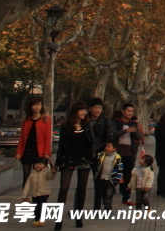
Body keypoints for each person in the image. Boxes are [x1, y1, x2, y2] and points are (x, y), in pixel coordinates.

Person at [53, 101, 95, 229]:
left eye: (85, 111)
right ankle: (58, 220)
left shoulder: (87, 125)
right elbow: (61, 146)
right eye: (82, 110)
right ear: (75, 111)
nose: (84, 113)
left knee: (81, 189)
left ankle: (78, 217)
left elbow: (92, 142)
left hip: (84, 160)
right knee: (64, 188)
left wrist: (91, 156)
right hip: (68, 159)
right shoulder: (66, 126)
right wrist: (57, 163)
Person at [84, 98, 116, 209]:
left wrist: (98, 149)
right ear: (90, 109)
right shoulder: (84, 121)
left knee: (99, 182)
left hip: (100, 155)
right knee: (81, 184)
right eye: (96, 107)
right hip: (85, 154)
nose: (98, 110)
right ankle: (77, 208)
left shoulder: (105, 121)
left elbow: (109, 137)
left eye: (100, 108)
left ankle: (98, 207)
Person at [16, 96, 53, 187]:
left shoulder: (46, 119)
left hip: (39, 152)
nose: (37, 107)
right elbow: (22, 138)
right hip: (27, 150)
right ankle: (25, 197)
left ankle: (36, 197)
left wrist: (46, 153)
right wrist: (19, 152)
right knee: (26, 177)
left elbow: (48, 137)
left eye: (39, 105)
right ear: (31, 107)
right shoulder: (26, 121)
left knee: (38, 177)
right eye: (35, 105)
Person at [112, 103, 144, 206]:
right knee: (114, 175)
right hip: (117, 153)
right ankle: (108, 197)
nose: (130, 113)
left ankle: (126, 197)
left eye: (131, 111)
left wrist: (134, 131)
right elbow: (113, 134)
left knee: (128, 176)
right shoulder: (115, 122)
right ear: (123, 111)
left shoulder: (133, 124)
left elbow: (138, 138)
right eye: (128, 111)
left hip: (129, 153)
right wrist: (126, 131)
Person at [22, 156, 57, 227]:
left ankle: (42, 218)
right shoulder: (32, 174)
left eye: (40, 164)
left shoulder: (46, 172)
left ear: (45, 165)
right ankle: (36, 220)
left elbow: (51, 177)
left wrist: (53, 172)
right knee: (36, 208)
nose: (38, 166)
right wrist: (24, 195)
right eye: (36, 164)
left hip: (44, 193)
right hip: (34, 194)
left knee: (41, 206)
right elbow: (27, 184)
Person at [93, 141, 122, 211]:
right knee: (101, 195)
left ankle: (107, 210)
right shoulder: (102, 155)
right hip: (101, 179)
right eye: (106, 146)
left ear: (114, 148)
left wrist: (117, 180)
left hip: (110, 180)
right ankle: (98, 209)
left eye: (109, 147)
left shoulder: (117, 158)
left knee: (108, 196)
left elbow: (120, 170)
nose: (106, 148)